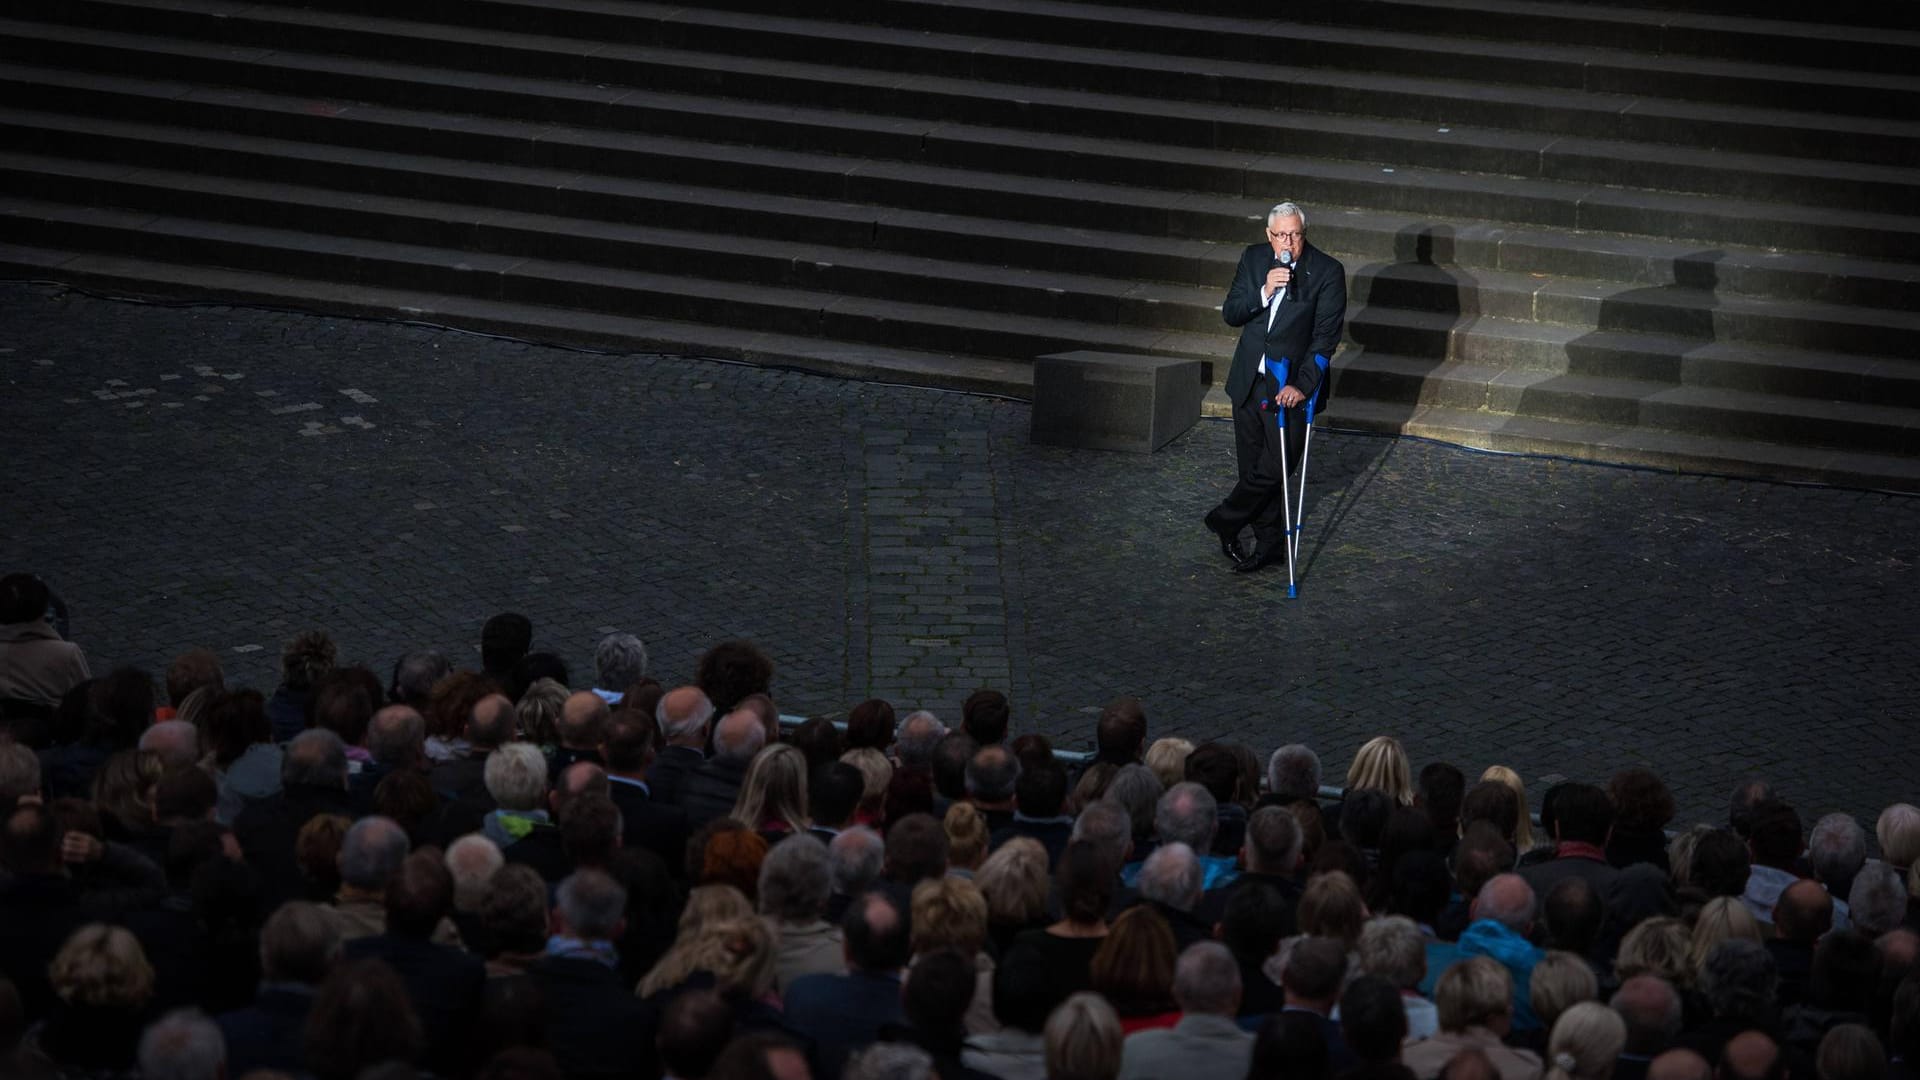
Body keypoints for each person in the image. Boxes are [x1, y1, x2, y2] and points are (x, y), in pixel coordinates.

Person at [1202, 200, 1346, 573]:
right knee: (1252, 467)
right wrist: (1264, 291)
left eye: (1294, 235)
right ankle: (1268, 545)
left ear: (1303, 234)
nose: (1287, 242)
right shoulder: (1253, 260)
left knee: (1280, 462)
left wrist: (1303, 385)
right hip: (1249, 380)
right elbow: (1232, 313)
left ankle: (1225, 518)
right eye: (1280, 235)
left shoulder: (1327, 271)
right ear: (1269, 235)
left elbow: (1325, 338)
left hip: (1289, 386)